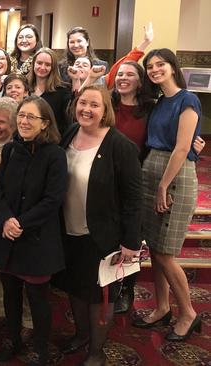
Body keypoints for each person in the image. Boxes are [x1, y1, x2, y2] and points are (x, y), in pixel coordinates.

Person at [57, 85, 142, 365]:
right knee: (75, 287)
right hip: (67, 230)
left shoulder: (121, 146)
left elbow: (133, 199)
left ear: (106, 110)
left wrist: (131, 242)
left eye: (94, 105)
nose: (87, 109)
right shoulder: (69, 134)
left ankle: (96, 351)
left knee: (99, 296)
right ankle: (81, 335)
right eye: (83, 103)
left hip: (101, 236)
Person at [0, 95, 67, 365]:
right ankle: (13, 339)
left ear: (45, 123)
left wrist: (21, 223)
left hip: (36, 239)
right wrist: (7, 219)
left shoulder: (55, 155)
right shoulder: (11, 150)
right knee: (10, 293)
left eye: (30, 117)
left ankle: (41, 349)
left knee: (37, 299)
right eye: (21, 116)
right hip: (7, 236)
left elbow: (53, 200)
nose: (23, 121)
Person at [133, 48, 203, 342]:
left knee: (164, 252)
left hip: (173, 177)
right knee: (155, 247)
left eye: (160, 64)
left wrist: (163, 185)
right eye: (150, 66)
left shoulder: (188, 99)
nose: (154, 69)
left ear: (173, 67)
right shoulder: (160, 101)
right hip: (152, 169)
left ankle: (188, 313)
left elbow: (183, 147)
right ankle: (162, 306)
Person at [0, 97, 33, 334]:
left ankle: (27, 320)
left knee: (21, 272)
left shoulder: (23, 148)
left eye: (2, 122)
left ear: (13, 124)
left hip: (15, 220)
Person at [27, 47, 73, 134]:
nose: (42, 67)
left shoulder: (62, 92)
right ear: (33, 64)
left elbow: (65, 124)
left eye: (47, 64)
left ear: (53, 67)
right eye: (39, 63)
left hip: (50, 142)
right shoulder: (24, 87)